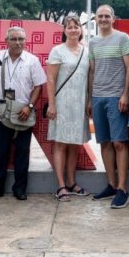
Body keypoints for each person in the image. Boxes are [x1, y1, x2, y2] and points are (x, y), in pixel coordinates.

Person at [0, 26, 47, 201]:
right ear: (6, 41)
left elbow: (38, 86)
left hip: (23, 112)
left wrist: (29, 106)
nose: (18, 42)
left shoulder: (32, 60)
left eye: (21, 39)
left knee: (22, 153)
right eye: (14, 39)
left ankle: (20, 189)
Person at [89, 5, 129, 209]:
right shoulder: (93, 42)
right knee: (105, 143)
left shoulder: (123, 38)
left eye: (107, 16)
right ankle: (111, 184)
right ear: (95, 19)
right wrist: (90, 98)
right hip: (98, 97)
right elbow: (92, 71)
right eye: (100, 16)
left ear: (113, 18)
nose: (104, 19)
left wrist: (126, 94)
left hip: (117, 97)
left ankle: (123, 189)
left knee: (119, 143)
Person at [46, 15, 91, 201]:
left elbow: (89, 78)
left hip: (79, 104)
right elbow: (50, 79)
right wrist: (52, 104)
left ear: (81, 29)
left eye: (76, 26)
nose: (73, 30)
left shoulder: (87, 51)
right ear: (64, 30)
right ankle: (61, 185)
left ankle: (72, 182)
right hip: (62, 103)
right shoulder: (57, 51)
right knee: (60, 144)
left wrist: (89, 101)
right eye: (70, 27)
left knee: (75, 144)